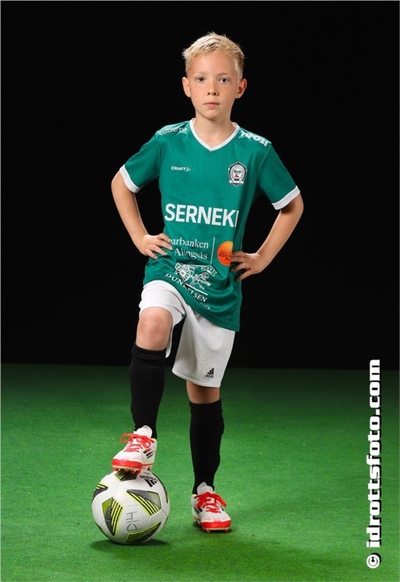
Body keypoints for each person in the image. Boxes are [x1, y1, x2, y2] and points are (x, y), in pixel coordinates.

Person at [110, 31, 304, 533]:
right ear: (186, 86)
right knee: (152, 321)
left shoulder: (255, 151)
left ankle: (204, 492)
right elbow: (122, 184)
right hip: (170, 270)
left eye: (222, 79)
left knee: (204, 393)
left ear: (241, 87)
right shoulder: (167, 141)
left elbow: (292, 205)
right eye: (201, 79)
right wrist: (140, 237)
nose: (211, 88)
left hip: (218, 289)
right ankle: (143, 434)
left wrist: (262, 256)